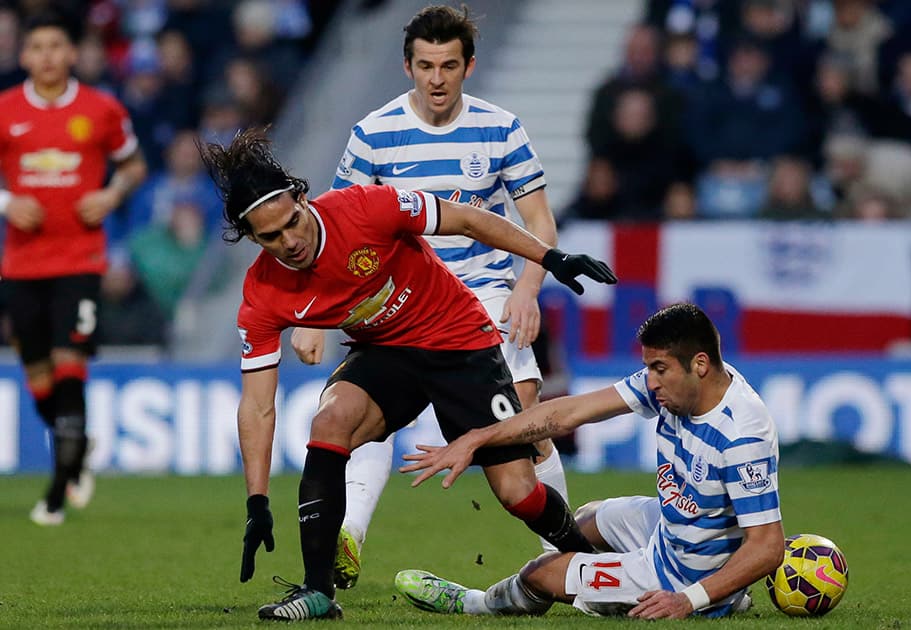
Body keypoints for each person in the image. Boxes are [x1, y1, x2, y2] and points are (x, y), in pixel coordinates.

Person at [198, 127, 617, 621]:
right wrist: (257, 501)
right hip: (388, 352)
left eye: (292, 222)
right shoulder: (262, 292)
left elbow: (466, 219)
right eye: (270, 237)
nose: (290, 242)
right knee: (329, 422)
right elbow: (258, 404)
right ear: (250, 237)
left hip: (459, 339)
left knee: (518, 494)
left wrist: (550, 256)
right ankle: (318, 592)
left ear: (302, 197)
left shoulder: (365, 208)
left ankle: (596, 568)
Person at [296, 4, 568, 590]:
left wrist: (527, 287)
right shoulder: (374, 132)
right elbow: (335, 227)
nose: (437, 79)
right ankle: (351, 537)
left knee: (525, 425)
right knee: (364, 415)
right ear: (408, 66)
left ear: (469, 66)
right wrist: (314, 316)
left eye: (448, 65)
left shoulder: (501, 128)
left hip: (485, 299)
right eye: (425, 65)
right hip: (397, 303)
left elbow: (538, 222)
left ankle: (564, 553)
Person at [395, 303, 785, 620]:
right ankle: (610, 581)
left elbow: (768, 547)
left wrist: (687, 600)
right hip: (672, 530)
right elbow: (572, 412)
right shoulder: (683, 385)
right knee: (588, 518)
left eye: (659, 369)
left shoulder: (741, 435)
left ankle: (474, 603)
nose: (650, 382)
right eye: (649, 367)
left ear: (699, 364)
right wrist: (479, 437)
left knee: (541, 573)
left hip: (683, 575)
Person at [0, 11, 146, 526]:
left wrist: (111, 192)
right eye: (36, 47)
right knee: (37, 372)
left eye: (55, 45)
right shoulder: (5, 110)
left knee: (68, 364)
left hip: (80, 260)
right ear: (24, 55)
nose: (45, 55)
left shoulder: (100, 109)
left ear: (71, 53)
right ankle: (76, 445)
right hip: (20, 262)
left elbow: (133, 165)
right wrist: (5, 202)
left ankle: (58, 492)